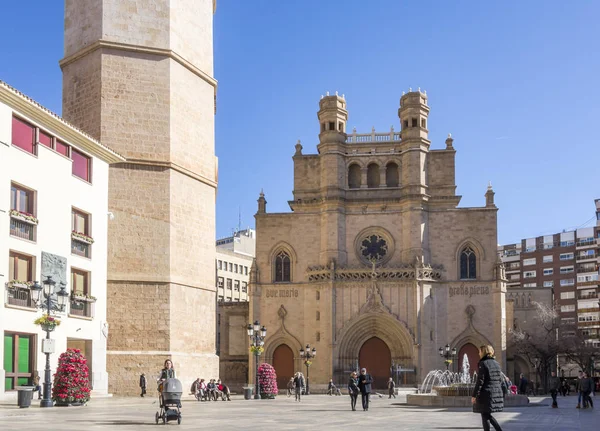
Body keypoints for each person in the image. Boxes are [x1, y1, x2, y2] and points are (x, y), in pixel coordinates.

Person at [471, 345, 506, 431]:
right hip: (495, 393)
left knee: (485, 415)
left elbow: (480, 381)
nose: (478, 353)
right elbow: (500, 380)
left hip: (486, 394)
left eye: (479, 351)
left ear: (483, 352)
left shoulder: (483, 363)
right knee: (486, 415)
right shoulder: (496, 364)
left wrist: (474, 395)